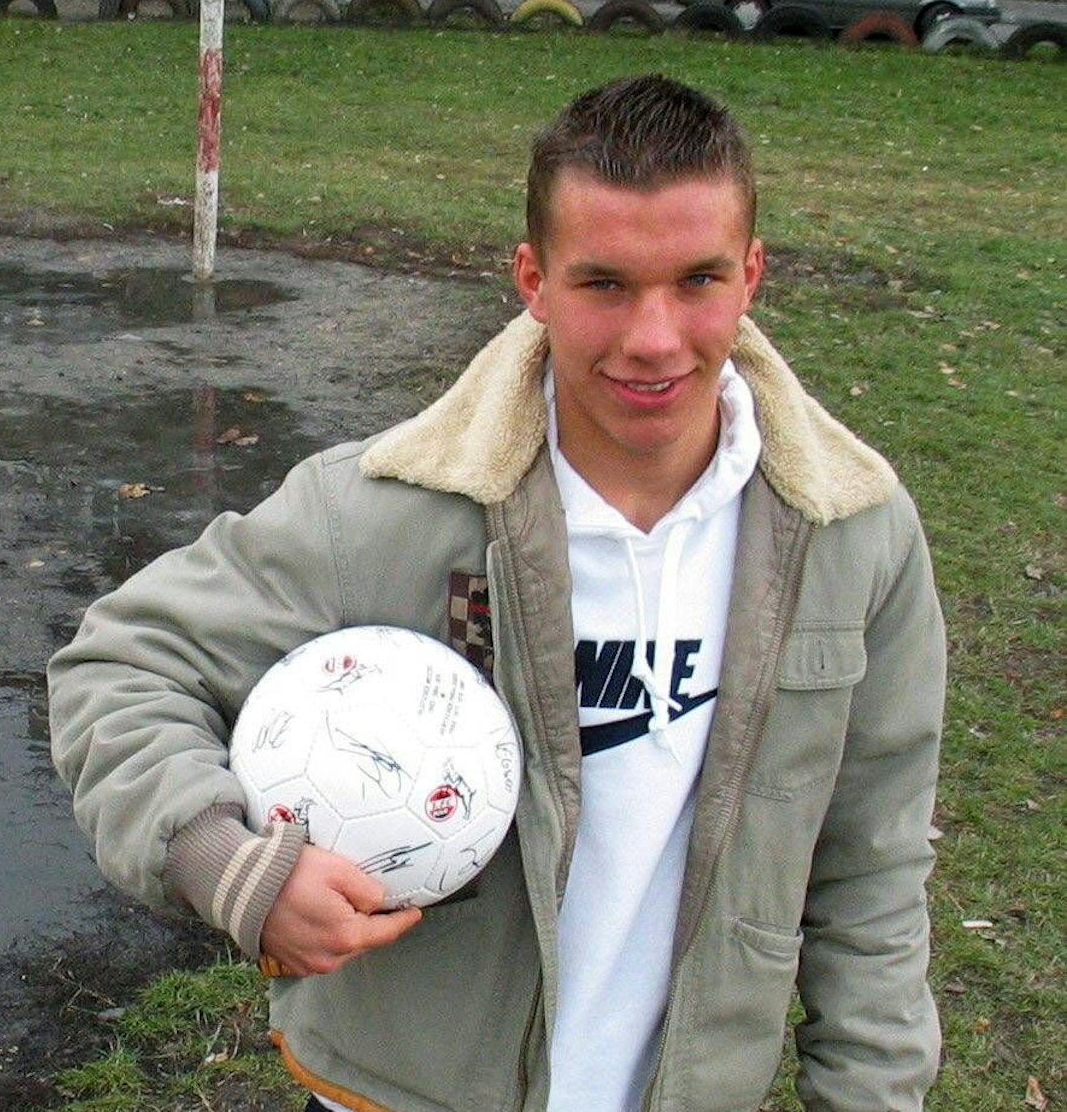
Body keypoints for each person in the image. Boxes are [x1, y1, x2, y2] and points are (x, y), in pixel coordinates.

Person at [48, 74, 945, 1112]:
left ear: (750, 274)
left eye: (695, 280)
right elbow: (121, 663)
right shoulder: (384, 511)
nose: (652, 337)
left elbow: (872, 874)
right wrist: (228, 867)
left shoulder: (853, 536)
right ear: (532, 278)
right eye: (603, 283)